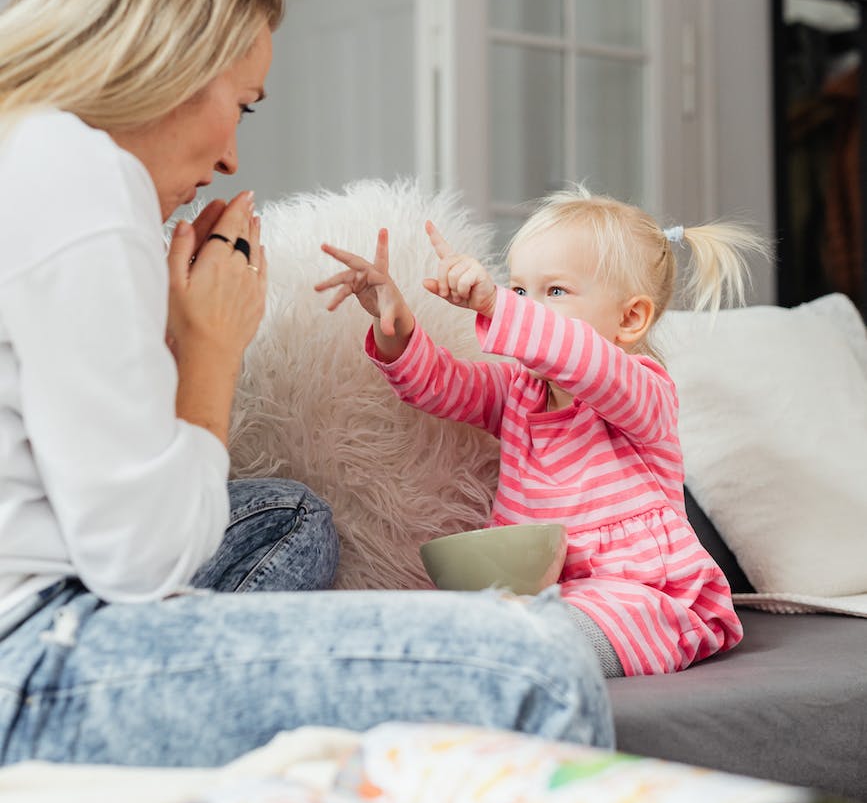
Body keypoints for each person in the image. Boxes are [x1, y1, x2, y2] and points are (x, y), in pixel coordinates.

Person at [0, 0, 612, 767]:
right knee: (539, 663)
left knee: (287, 515)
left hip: (47, 588)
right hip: (28, 661)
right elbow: (140, 569)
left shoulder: (25, 147)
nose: (231, 160)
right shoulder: (83, 177)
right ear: (172, 64)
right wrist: (209, 348)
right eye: (242, 104)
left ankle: (223, 721)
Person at [317, 187, 769, 679]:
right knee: (459, 622)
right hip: (538, 592)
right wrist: (394, 322)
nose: (525, 306)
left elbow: (582, 359)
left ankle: (524, 655)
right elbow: (440, 384)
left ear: (630, 318)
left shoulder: (642, 391)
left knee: (572, 627)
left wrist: (496, 304)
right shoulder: (519, 391)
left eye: (554, 291)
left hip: (642, 594)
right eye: (518, 290)